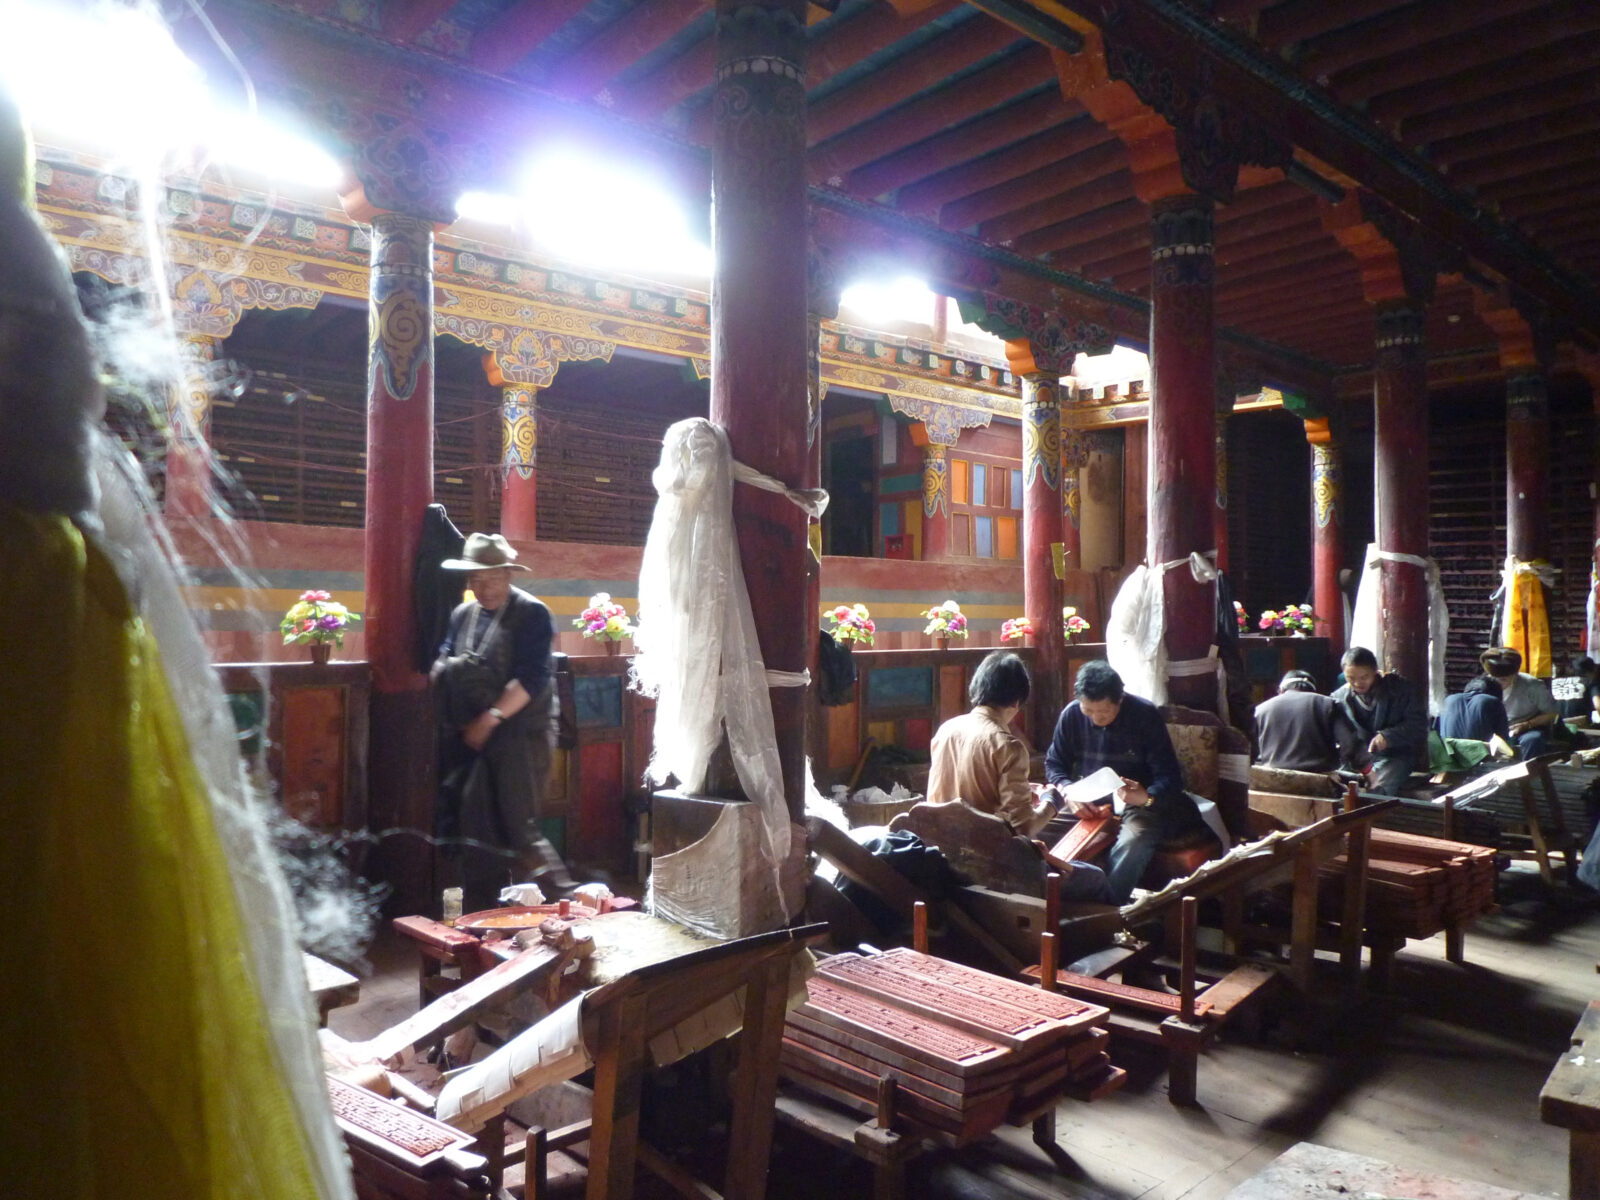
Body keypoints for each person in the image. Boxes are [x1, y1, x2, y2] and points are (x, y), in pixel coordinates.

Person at [432, 531, 570, 907]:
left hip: (522, 733)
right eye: (476, 579)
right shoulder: (463, 614)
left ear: (508, 575)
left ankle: (564, 905)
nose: (484, 588)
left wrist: (490, 719)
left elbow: (532, 678)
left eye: (492, 578)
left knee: (518, 828)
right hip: (473, 734)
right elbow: (446, 657)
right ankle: (486, 916)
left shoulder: (532, 613)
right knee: (475, 829)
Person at [927, 651, 1112, 903]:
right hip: (992, 868)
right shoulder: (1008, 745)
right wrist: (1052, 801)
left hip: (946, 858)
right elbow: (1024, 828)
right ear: (1016, 702)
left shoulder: (946, 730)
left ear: (976, 689)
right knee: (1095, 877)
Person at [1044, 660, 1209, 903]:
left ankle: (1107, 907)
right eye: (1088, 711)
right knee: (1042, 827)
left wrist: (1147, 797)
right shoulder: (1071, 715)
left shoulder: (1144, 715)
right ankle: (1045, 895)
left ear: (1120, 700)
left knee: (1135, 840)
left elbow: (1170, 777)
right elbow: (1054, 764)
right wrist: (1068, 793)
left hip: (1138, 803)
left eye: (1104, 712)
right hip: (1089, 799)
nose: (1095, 718)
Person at [1331, 646, 1427, 795]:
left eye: (1364, 677)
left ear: (1375, 671)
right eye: (1351, 678)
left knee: (1377, 786)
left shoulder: (1400, 690)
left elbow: (1419, 725)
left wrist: (1389, 736)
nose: (1358, 683)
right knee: (1335, 782)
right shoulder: (1338, 698)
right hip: (1355, 760)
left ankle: (1369, 806)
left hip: (1393, 756)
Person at [1255, 669, 1352, 773]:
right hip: (1319, 776)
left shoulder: (1260, 710)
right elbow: (1349, 744)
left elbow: (1252, 749)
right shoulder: (1329, 704)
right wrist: (1362, 769)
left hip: (1272, 775)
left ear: (1281, 690)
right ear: (1313, 691)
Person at [1481, 646, 1560, 759]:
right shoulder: (1484, 685)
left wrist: (1527, 725)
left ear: (1515, 674)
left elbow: (1551, 713)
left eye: (1504, 679)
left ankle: (1528, 769)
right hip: (1495, 728)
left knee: (1533, 740)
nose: (1498, 683)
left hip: (1526, 728)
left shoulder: (1532, 686)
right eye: (1495, 678)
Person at [1438, 675, 1511, 746]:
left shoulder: (1448, 700)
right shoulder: (1494, 702)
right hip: (1480, 753)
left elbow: (1436, 731)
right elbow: (1503, 741)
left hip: (1448, 752)